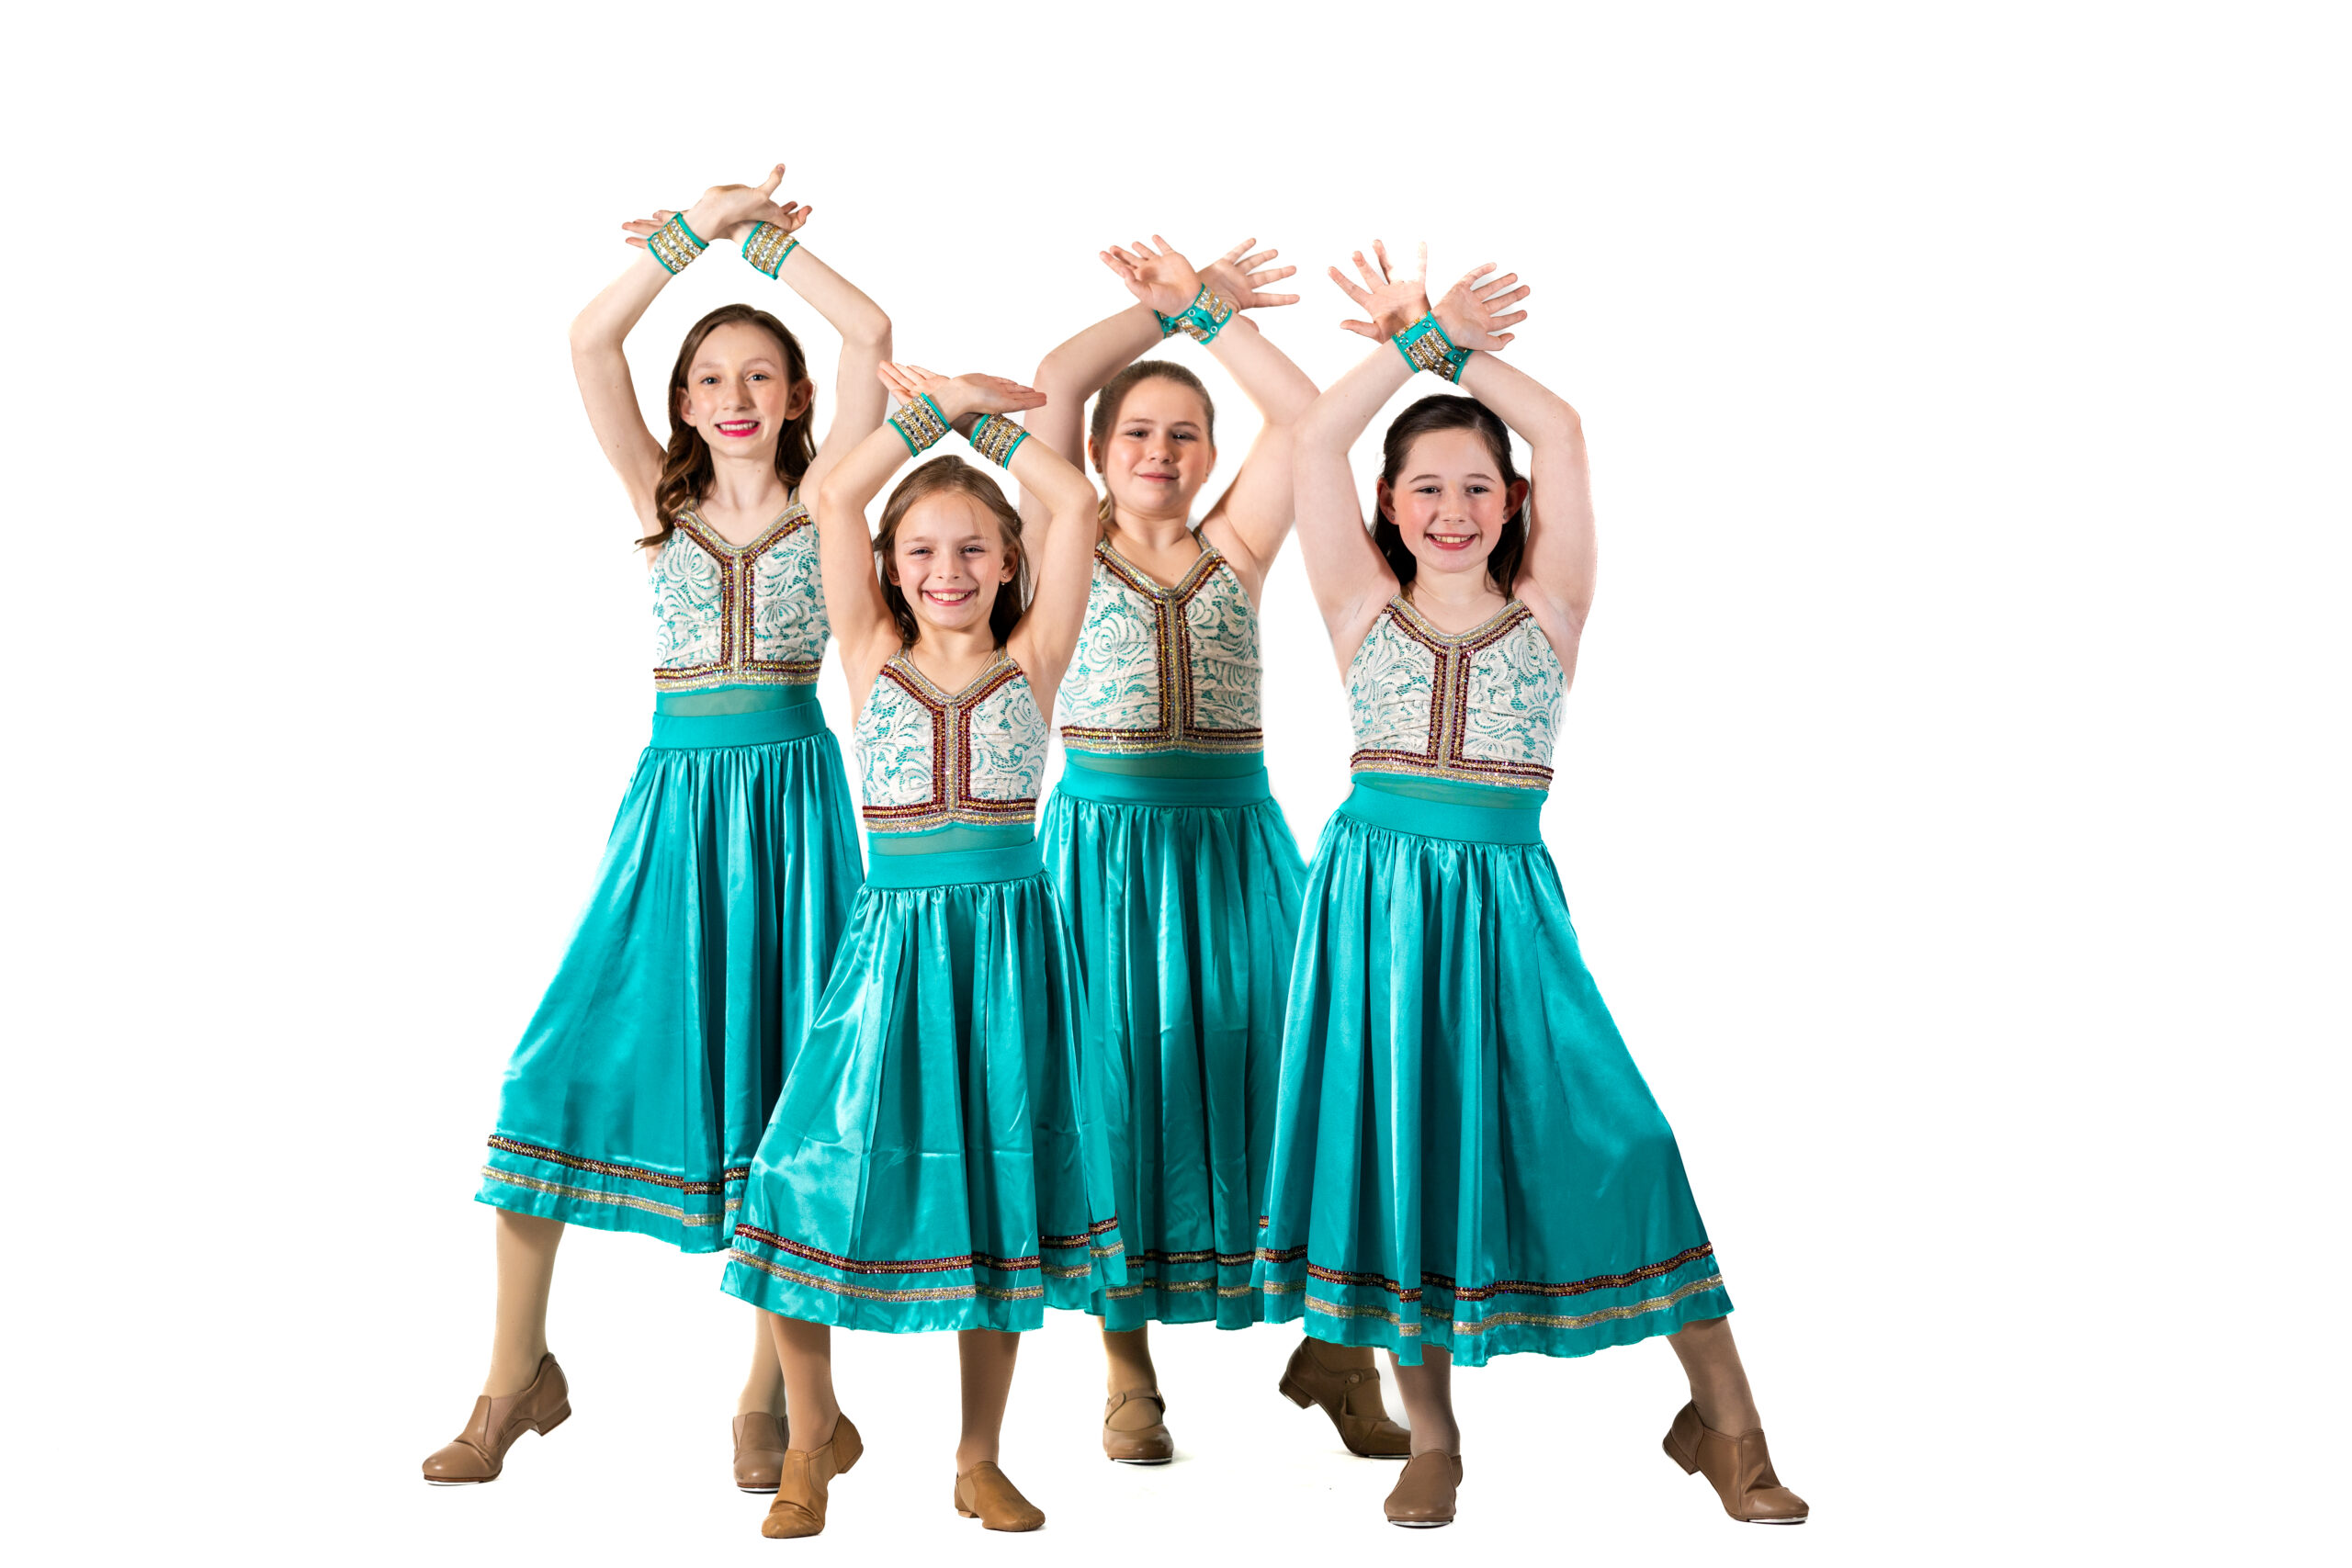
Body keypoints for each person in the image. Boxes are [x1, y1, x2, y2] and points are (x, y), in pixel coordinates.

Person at [1253, 243, 1808, 1529]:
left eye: (1478, 486)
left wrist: (1447, 342)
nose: (1453, 507)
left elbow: (1559, 422)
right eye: (1427, 486)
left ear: (1511, 503)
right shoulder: (1357, 606)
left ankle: (1728, 1420)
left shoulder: (1551, 605)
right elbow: (1314, 441)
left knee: (1627, 1137)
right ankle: (1433, 1435)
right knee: (1407, 1155)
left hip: (1507, 906)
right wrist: (1411, 341)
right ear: (1389, 503)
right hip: (1374, 910)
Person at [422, 165, 888, 1494]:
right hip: (673, 815)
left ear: (792, 398)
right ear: (683, 405)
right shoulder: (658, 504)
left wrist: (774, 253)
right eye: (712, 380)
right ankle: (515, 1375)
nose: (736, 400)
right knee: (550, 1071)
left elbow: (871, 337)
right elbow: (585, 339)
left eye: (760, 377)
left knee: (789, 1097)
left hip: (799, 811)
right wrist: (701, 232)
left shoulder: (831, 500)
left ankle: (777, 1396)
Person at [717, 360, 1124, 1537]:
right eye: (924, 554)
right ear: (891, 568)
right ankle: (810, 1438)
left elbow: (1080, 506)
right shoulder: (865, 655)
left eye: (974, 552)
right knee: (799, 1179)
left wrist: (989, 423)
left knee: (995, 1197)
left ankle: (978, 1456)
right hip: (888, 952)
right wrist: (926, 415)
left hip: (1007, 959)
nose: (947, 573)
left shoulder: (1032, 660)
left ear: (1010, 565)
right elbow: (837, 499)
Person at [1020, 236, 1408, 1463]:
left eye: (1188, 432)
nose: (1162, 451)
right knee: (1114, 1090)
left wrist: (1211, 317)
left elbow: (1301, 419)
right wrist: (1157, 311)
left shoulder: (1239, 543)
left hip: (1237, 848)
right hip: (1101, 853)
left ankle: (1338, 1349)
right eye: (1141, 431)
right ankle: (1125, 1363)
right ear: (1097, 452)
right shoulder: (1058, 543)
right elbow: (1052, 373)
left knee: (1306, 1077)